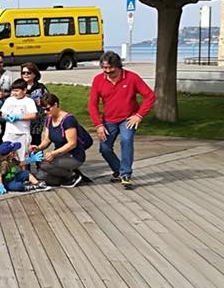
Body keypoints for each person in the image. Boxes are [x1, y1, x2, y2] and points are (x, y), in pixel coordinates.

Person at [88, 50, 156, 190]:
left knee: (126, 140)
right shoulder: (98, 80)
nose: (108, 71)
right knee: (104, 148)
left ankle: (126, 174)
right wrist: (98, 125)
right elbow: (92, 105)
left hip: (128, 118)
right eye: (104, 68)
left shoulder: (132, 78)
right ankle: (118, 170)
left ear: (118, 66)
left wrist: (139, 115)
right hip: (109, 120)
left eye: (111, 68)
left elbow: (150, 96)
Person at [31, 93, 88, 188]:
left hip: (73, 155)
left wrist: (53, 153)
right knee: (43, 177)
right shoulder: (49, 119)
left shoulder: (68, 120)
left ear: (55, 105)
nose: (45, 112)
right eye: (43, 109)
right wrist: (38, 147)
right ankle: (66, 175)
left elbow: (72, 144)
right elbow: (47, 139)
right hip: (60, 155)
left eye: (47, 109)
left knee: (44, 164)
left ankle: (73, 175)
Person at [0, 79, 39, 163]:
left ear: (24, 90)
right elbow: (3, 113)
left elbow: (33, 115)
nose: (14, 93)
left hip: (23, 133)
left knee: (22, 158)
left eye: (17, 91)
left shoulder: (29, 101)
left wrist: (19, 117)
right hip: (10, 133)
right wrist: (7, 117)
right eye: (13, 90)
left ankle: (23, 171)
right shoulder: (9, 100)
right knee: (8, 157)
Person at [20, 62, 48, 146]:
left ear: (35, 74)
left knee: (35, 143)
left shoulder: (41, 88)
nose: (25, 75)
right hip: (21, 121)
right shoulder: (19, 85)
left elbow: (47, 102)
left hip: (36, 122)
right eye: (23, 73)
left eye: (28, 73)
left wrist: (36, 101)